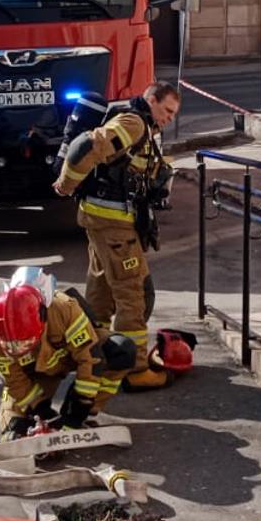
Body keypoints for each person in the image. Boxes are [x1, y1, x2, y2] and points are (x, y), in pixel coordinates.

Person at [52, 81, 181, 394]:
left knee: (101, 295)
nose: (168, 118)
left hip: (107, 222)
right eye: (166, 110)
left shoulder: (144, 128)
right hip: (113, 225)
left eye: (173, 114)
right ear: (151, 99)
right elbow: (87, 146)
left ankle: (95, 359)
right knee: (131, 293)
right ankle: (134, 369)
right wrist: (65, 184)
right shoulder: (133, 122)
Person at [0, 279, 143, 438]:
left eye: (24, 342)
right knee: (15, 426)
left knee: (122, 352)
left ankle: (87, 414)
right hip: (37, 372)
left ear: (41, 319)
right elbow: (14, 380)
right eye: (10, 345)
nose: (17, 349)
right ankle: (27, 425)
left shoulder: (64, 308)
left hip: (72, 355)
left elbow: (89, 357)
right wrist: (41, 409)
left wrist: (79, 407)